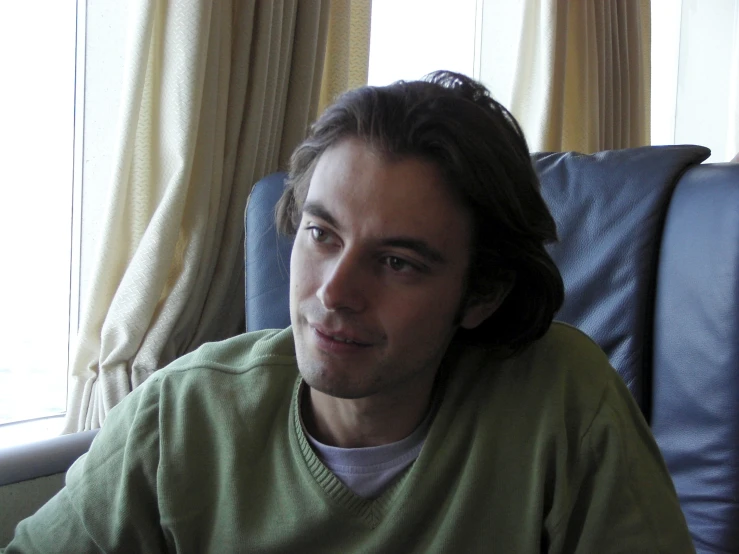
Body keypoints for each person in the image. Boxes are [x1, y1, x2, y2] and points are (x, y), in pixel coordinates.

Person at [3, 72, 694, 553]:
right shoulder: (182, 414)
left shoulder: (562, 401)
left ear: (480, 294)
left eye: (397, 262)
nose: (334, 291)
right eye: (321, 234)